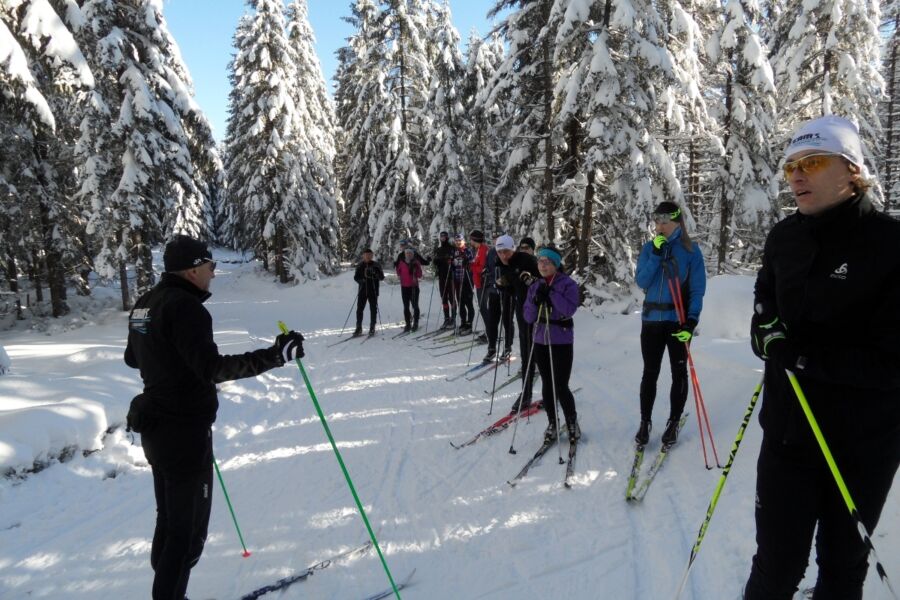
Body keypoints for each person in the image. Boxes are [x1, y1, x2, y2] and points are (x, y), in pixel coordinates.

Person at [743, 115, 900, 599]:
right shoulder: (783, 239)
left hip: (862, 445)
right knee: (775, 569)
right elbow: (764, 304)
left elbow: (891, 361)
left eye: (812, 162)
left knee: (841, 571)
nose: (796, 175)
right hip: (789, 437)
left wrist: (804, 357)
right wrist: (764, 332)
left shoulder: (890, 244)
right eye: (790, 165)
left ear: (852, 171)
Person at [124, 235, 304, 600]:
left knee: (170, 521)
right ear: (193, 270)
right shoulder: (186, 307)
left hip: (157, 429)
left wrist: (167, 369)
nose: (213, 274)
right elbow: (212, 368)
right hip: (182, 432)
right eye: (211, 266)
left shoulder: (145, 304)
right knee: (187, 534)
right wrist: (275, 355)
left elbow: (133, 357)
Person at [633, 201, 706, 447]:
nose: (660, 226)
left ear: (677, 222)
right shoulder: (648, 249)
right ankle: (645, 422)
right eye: (657, 221)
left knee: (678, 373)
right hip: (651, 321)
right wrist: (654, 254)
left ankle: (673, 422)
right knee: (649, 373)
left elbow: (697, 290)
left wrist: (691, 322)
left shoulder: (690, 251)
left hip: (678, 321)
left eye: (665, 221)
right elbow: (642, 280)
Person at [523, 246, 580, 443]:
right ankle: (552, 423)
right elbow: (528, 316)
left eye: (548, 262)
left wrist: (551, 294)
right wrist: (536, 300)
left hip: (561, 340)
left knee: (561, 385)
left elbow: (569, 309)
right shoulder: (535, 286)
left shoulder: (568, 284)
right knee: (547, 384)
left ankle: (572, 422)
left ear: (556, 264)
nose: (543, 265)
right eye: (540, 261)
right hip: (540, 339)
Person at [496, 235, 541, 411]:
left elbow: (548, 277)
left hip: (537, 313)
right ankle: (526, 393)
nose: (503, 255)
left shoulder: (527, 260)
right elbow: (516, 289)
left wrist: (533, 281)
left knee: (535, 351)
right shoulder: (503, 264)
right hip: (522, 313)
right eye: (500, 252)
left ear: (513, 249)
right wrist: (504, 287)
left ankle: (532, 393)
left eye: (506, 251)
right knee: (526, 351)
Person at [478, 236, 513, 363]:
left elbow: (512, 271)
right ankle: (491, 348)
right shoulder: (492, 252)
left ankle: (507, 347)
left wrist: (504, 282)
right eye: (494, 239)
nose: (495, 242)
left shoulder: (509, 252)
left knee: (507, 320)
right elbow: (487, 266)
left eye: (497, 239)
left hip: (507, 292)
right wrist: (485, 271)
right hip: (493, 291)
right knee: (492, 321)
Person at [353, 248, 385, 337]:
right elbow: (355, 277)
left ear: (372, 255)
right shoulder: (360, 265)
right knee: (359, 309)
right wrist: (361, 281)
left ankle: (372, 327)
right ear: (363, 255)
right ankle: (358, 327)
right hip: (362, 290)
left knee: (373, 309)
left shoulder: (376, 265)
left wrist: (376, 274)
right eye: (366, 255)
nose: (367, 256)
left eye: (369, 255)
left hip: (373, 291)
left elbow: (382, 277)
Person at [450, 233, 475, 333]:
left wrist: (467, 263)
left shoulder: (468, 251)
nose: (458, 242)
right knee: (460, 303)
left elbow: (473, 262)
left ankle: (469, 323)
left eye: (460, 240)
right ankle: (463, 322)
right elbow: (451, 262)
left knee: (468, 303)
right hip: (457, 280)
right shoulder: (454, 251)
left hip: (467, 280)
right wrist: (451, 264)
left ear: (463, 241)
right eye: (456, 241)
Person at [395, 247, 423, 332]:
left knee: (415, 305)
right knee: (406, 306)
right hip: (404, 287)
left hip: (414, 287)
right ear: (405, 254)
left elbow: (420, 275)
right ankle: (407, 324)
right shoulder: (401, 262)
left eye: (410, 253)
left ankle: (416, 323)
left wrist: (416, 269)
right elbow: (398, 272)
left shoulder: (416, 262)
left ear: (413, 254)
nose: (408, 254)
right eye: (407, 253)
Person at [433, 231, 455, 329]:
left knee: (451, 298)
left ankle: (453, 318)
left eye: (444, 237)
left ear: (447, 238)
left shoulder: (452, 249)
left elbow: (455, 261)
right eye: (441, 237)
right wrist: (435, 262)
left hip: (450, 277)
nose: (442, 238)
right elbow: (436, 263)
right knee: (444, 298)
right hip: (442, 277)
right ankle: (446, 318)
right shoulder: (438, 249)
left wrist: (450, 260)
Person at [469, 230, 489, 332]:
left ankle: (490, 331)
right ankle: (488, 331)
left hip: (483, 282)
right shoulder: (477, 249)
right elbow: (476, 263)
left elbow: (482, 268)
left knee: (483, 308)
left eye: (471, 239)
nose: (470, 241)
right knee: (482, 308)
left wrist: (471, 266)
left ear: (475, 239)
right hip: (478, 283)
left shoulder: (483, 249)